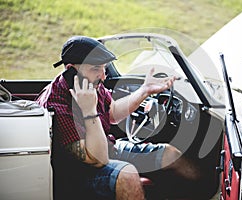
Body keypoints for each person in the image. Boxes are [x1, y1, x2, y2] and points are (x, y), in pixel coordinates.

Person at [36, 36, 201, 200]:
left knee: (171, 154)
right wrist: (89, 110)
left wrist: (144, 91)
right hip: (77, 172)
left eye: (104, 68)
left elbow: (112, 112)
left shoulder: (89, 82)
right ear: (71, 69)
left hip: (107, 147)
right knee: (126, 176)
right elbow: (97, 160)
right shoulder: (56, 104)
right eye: (95, 68)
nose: (103, 76)